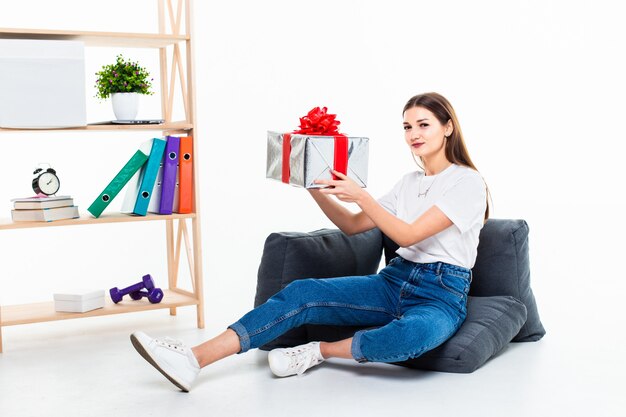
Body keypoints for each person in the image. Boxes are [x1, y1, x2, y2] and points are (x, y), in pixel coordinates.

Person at [130, 92, 489, 392]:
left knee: (410, 336)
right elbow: (352, 225)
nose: (414, 133)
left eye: (424, 124)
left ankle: (321, 351)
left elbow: (407, 235)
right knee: (303, 292)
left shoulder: (467, 182)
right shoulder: (409, 182)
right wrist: (313, 186)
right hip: (394, 280)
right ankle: (192, 359)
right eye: (407, 126)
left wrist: (363, 196)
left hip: (442, 292)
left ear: (448, 127)